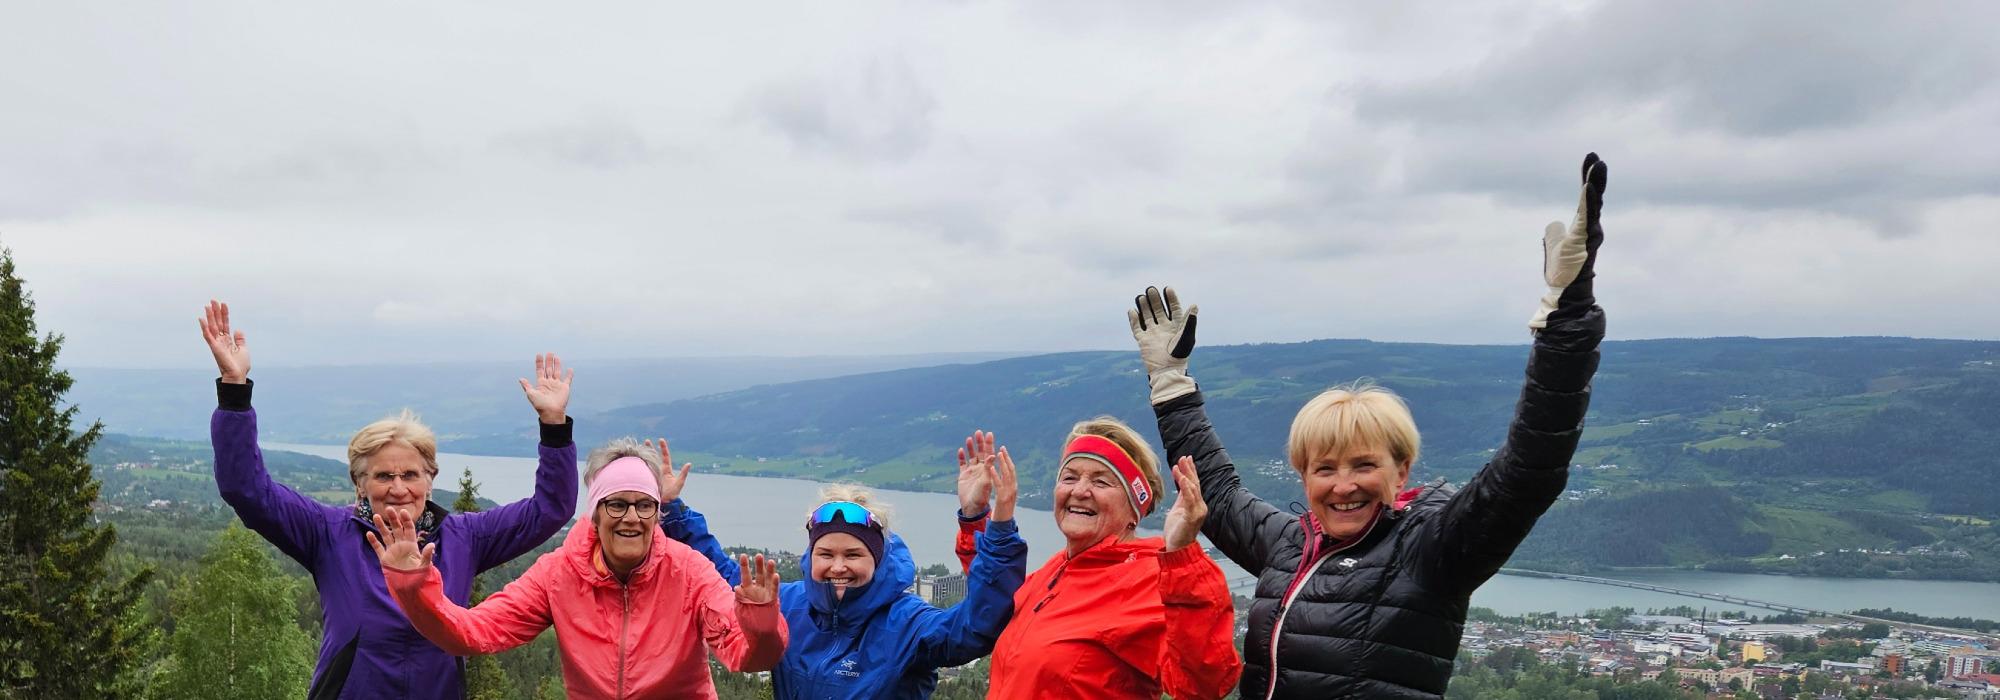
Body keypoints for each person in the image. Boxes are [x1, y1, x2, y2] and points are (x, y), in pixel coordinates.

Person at [1128, 153, 1611, 698]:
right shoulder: (1289, 545)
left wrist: (1566, 319)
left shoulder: (1431, 549)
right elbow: (1214, 490)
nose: (1343, 484)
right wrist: (1170, 385)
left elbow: (1529, 472)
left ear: (1401, 470)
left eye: (1364, 465)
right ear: (1303, 476)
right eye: (1324, 468)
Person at [198, 300, 578, 699]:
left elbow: (550, 509)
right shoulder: (329, 535)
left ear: (430, 479)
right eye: (383, 475)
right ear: (359, 484)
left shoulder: (465, 538)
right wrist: (234, 389)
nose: (399, 488)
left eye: (411, 474)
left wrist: (553, 424)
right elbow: (246, 488)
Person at [374, 438, 787, 699]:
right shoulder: (559, 574)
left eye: (645, 505)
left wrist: (761, 623)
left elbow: (747, 657)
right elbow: (472, 633)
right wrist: (413, 587)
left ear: (658, 513)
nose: (632, 518)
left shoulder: (688, 571)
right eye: (617, 504)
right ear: (595, 512)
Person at [658, 431, 1030, 699]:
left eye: (853, 555)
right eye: (826, 554)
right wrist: (674, 512)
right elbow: (723, 578)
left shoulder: (907, 623)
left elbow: (977, 628)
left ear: (878, 557)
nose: (839, 566)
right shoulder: (789, 604)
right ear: (810, 557)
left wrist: (981, 519)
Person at [983, 418, 1243, 700]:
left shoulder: (1147, 580)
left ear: (1134, 510)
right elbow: (991, 605)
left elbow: (1203, 684)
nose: (1079, 491)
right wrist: (976, 518)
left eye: (1101, 481)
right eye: (1069, 477)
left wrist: (1182, 557)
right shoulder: (1056, 570)